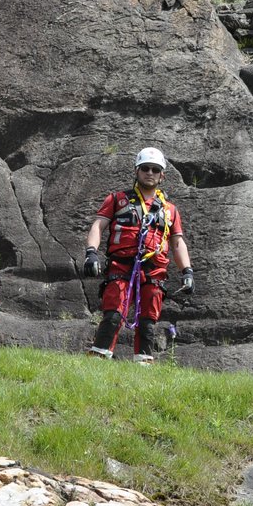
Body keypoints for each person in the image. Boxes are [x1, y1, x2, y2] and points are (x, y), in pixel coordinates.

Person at [83, 147, 193, 363]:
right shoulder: (117, 199)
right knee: (113, 313)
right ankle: (98, 356)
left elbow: (177, 242)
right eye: (145, 168)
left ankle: (143, 361)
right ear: (137, 171)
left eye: (155, 169)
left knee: (148, 319)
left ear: (162, 176)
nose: (149, 172)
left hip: (154, 270)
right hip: (121, 265)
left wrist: (187, 271)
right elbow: (98, 225)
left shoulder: (170, 210)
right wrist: (91, 253)